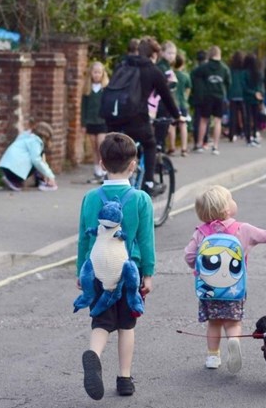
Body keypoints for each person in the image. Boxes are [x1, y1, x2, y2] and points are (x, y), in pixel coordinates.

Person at [76, 133, 155, 399]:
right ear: (133, 165)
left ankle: (94, 354)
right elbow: (146, 241)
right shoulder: (141, 199)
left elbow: (83, 239)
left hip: (97, 269)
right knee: (126, 326)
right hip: (127, 272)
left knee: (100, 320)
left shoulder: (90, 197)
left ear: (101, 162)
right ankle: (124, 379)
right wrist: (148, 273)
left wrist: (81, 272)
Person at [184, 185, 266, 372]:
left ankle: (213, 357)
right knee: (233, 322)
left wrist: (199, 270)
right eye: (231, 199)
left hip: (209, 289)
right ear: (226, 209)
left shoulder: (201, 233)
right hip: (234, 288)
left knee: (214, 322)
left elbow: (189, 256)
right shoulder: (242, 229)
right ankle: (233, 341)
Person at [105, 37, 180, 197]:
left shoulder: (123, 64)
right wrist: (177, 116)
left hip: (113, 117)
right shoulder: (152, 70)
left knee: (120, 149)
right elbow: (166, 96)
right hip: (136, 118)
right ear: (153, 55)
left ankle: (113, 181)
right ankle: (148, 183)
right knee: (150, 144)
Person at [191, 46, 231, 155]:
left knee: (204, 120)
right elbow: (228, 82)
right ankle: (215, 146)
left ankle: (199, 144)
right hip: (219, 96)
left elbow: (194, 74)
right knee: (218, 121)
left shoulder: (204, 67)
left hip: (207, 96)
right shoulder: (224, 68)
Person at [0, 121, 58, 191]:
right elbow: (36, 160)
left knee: (36, 158)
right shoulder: (35, 142)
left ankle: (12, 180)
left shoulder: (25, 137)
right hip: (15, 171)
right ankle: (45, 181)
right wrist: (49, 175)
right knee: (37, 159)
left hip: (5, 166)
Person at [81, 61, 109, 180]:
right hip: (90, 121)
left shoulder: (106, 89)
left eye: (99, 72)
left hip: (102, 122)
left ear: (103, 74)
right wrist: (83, 124)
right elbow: (83, 108)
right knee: (93, 147)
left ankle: (104, 170)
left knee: (100, 146)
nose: (97, 75)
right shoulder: (87, 89)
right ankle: (97, 170)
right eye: (95, 72)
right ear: (91, 73)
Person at [170, 52, 192, 156]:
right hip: (183, 103)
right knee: (183, 125)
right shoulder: (185, 76)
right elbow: (188, 89)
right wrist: (185, 98)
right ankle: (184, 148)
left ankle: (172, 147)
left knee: (172, 125)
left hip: (173, 102)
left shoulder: (171, 74)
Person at [228, 51, 251, 144]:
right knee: (245, 115)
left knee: (233, 115)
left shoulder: (231, 70)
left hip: (233, 94)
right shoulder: (245, 71)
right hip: (243, 94)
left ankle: (232, 134)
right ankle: (246, 133)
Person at [242, 53, 264, 147]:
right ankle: (255, 135)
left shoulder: (244, 73)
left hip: (247, 98)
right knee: (255, 118)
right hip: (257, 98)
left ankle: (248, 137)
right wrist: (259, 93)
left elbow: (244, 87)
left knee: (247, 118)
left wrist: (252, 93)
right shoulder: (258, 73)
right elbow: (261, 86)